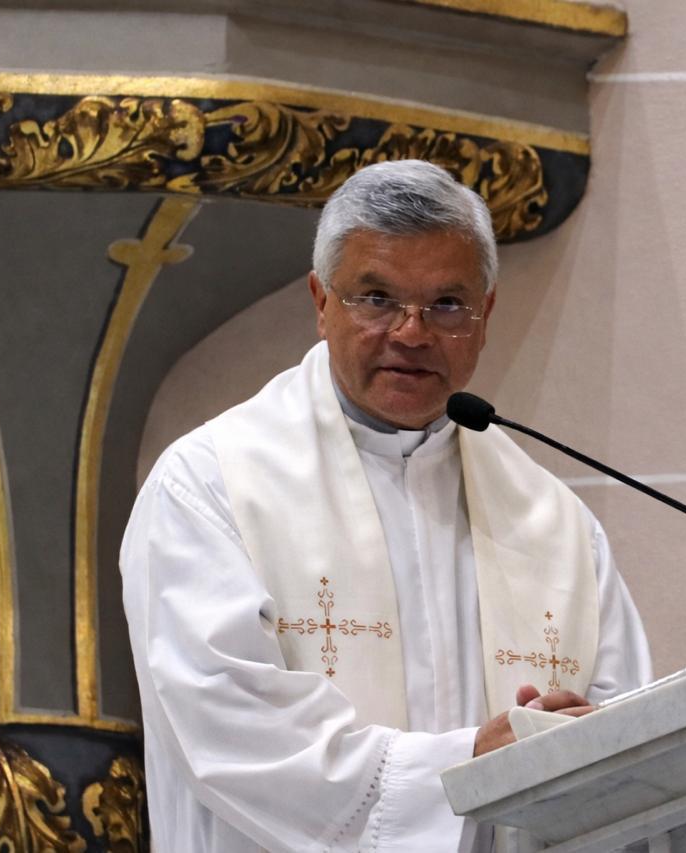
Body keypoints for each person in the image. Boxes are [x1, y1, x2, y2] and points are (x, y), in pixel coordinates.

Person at [120, 160, 652, 852]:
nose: (411, 332)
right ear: (321, 302)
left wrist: (584, 748)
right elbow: (229, 730)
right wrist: (466, 766)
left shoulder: (558, 527)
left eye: (447, 304)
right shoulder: (209, 485)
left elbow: (631, 748)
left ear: (485, 315)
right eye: (376, 298)